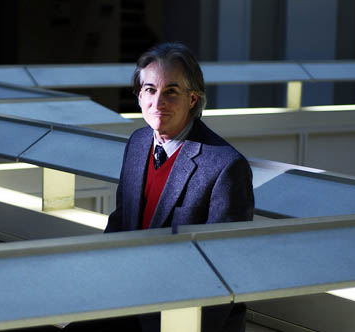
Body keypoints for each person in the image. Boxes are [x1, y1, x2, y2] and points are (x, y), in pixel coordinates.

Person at [105, 42, 255, 331]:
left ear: (193, 99)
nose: (157, 102)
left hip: (183, 315)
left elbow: (224, 268)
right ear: (139, 97)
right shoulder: (137, 143)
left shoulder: (226, 166)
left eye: (171, 92)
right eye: (149, 89)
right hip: (129, 303)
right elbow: (121, 224)